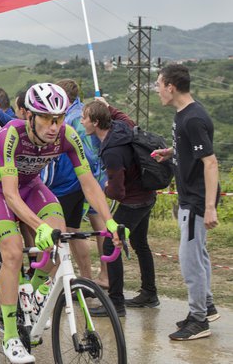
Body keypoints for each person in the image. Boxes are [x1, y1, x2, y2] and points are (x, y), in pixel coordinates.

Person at [0, 83, 124, 364]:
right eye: (46, 117)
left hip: (31, 186)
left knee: (59, 238)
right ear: (29, 116)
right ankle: (10, 336)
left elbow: (89, 182)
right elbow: (9, 193)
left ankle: (34, 291)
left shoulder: (68, 135)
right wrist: (38, 226)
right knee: (12, 252)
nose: (54, 125)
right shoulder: (11, 135)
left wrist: (110, 221)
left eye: (59, 118)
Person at [154, 64, 220, 341]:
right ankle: (206, 306)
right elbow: (191, 149)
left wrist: (208, 207)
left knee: (190, 259)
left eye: (159, 84)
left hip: (196, 200)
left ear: (171, 86)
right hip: (191, 197)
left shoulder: (192, 118)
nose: (157, 90)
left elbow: (210, 162)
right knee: (199, 255)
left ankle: (198, 320)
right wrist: (171, 153)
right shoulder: (184, 115)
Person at [81, 99, 158, 316]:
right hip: (148, 194)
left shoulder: (112, 152)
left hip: (133, 201)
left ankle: (116, 303)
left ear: (96, 122)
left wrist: (104, 187)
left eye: (84, 118)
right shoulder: (123, 127)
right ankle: (149, 293)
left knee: (109, 245)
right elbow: (123, 116)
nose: (81, 121)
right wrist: (107, 105)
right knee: (139, 242)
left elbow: (117, 192)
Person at [42, 79, 108, 288]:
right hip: (83, 182)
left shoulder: (73, 118)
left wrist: (90, 177)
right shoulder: (79, 111)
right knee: (78, 230)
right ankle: (88, 279)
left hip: (73, 183)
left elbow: (88, 154)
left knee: (69, 232)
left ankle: (82, 279)